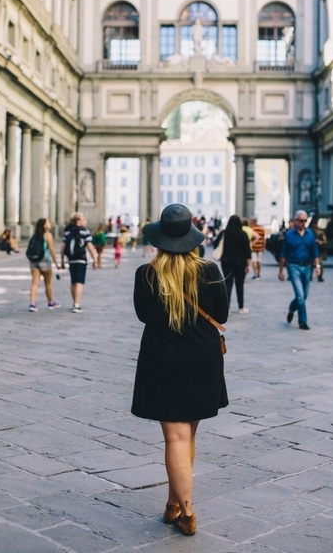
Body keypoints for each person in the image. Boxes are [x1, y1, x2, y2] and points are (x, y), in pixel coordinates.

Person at [131, 204, 228, 537]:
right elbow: (223, 315)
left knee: (175, 436)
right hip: (202, 357)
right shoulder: (211, 270)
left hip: (163, 357)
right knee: (188, 435)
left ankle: (186, 511)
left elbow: (144, 315)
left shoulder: (146, 273)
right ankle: (175, 503)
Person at [277, 210, 321, 330]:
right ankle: (303, 321)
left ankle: (292, 308)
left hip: (307, 267)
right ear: (295, 220)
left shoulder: (310, 234)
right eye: (301, 221)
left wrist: (317, 266)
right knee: (300, 296)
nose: (303, 223)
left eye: (305, 221)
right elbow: (283, 254)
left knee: (304, 296)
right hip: (293, 266)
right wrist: (281, 271)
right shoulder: (289, 235)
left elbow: (315, 251)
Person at [60, 212, 100, 313]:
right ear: (79, 221)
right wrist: (95, 259)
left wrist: (62, 261)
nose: (85, 221)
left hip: (71, 260)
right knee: (79, 282)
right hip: (81, 260)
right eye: (83, 219)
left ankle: (74, 302)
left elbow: (62, 248)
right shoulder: (84, 232)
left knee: (73, 281)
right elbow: (90, 247)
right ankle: (77, 305)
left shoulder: (68, 232)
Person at [212, 215, 251, 315]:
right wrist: (248, 265)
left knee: (227, 285)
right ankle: (241, 307)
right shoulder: (243, 234)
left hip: (226, 261)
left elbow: (215, 244)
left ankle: (227, 308)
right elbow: (247, 251)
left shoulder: (224, 233)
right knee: (239, 285)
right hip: (240, 262)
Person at [28, 218, 61, 312]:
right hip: (45, 260)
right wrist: (56, 263)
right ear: (44, 225)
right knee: (48, 282)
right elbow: (51, 250)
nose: (50, 223)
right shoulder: (48, 235)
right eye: (48, 222)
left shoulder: (35, 235)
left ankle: (32, 304)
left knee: (35, 282)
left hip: (34, 260)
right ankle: (51, 303)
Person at [310, 218, 327, 282]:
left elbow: (325, 241)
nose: (315, 225)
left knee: (320, 265)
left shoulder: (320, 232)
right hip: (311, 250)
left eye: (315, 223)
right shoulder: (309, 232)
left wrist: (320, 242)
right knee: (310, 265)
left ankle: (319, 277)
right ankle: (310, 276)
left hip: (318, 250)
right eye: (313, 224)